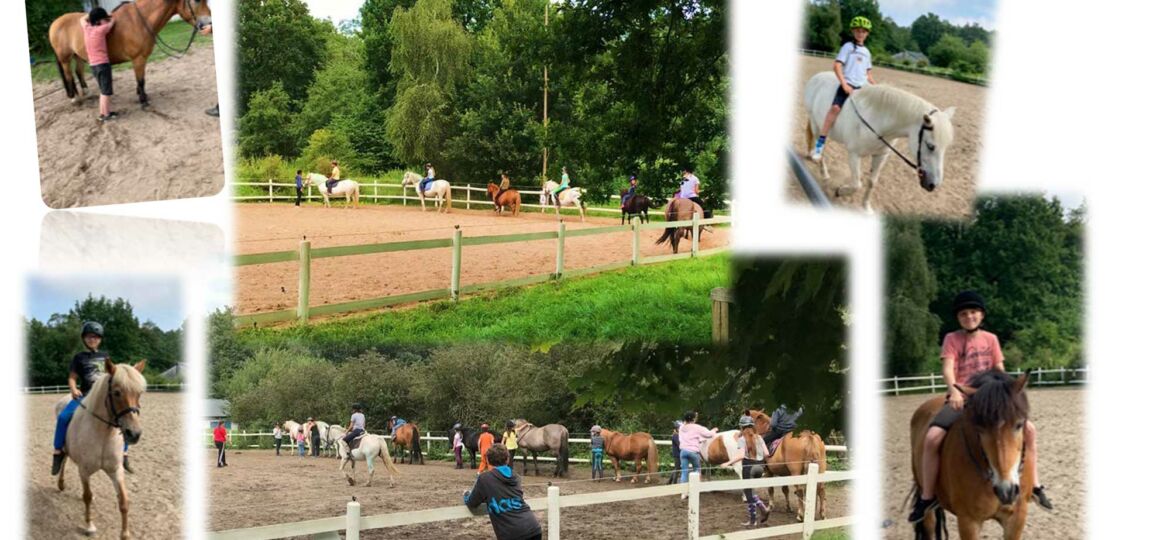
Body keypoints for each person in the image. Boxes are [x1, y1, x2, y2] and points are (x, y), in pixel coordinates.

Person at [908, 291, 1053, 523]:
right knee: (932, 438)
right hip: (963, 396)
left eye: (973, 312)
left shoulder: (991, 339)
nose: (969, 317)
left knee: (1030, 431)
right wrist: (954, 389)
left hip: (991, 399)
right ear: (959, 318)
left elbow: (999, 368)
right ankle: (927, 496)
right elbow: (948, 368)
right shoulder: (951, 339)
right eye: (964, 314)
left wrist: (1008, 393)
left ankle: (1035, 486)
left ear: (981, 315)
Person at [52, 321, 134, 475]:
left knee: (123, 417)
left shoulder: (105, 357)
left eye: (95, 337)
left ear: (100, 339)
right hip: (85, 396)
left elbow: (114, 375)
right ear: (84, 338)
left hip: (103, 397)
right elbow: (72, 378)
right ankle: (58, 451)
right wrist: (73, 388)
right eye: (89, 337)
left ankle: (124, 453)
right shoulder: (79, 357)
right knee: (63, 417)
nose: (92, 340)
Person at [810, 16, 877, 162]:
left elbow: (868, 73)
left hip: (863, 88)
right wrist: (844, 84)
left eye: (864, 31)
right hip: (848, 85)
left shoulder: (867, 52)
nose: (860, 33)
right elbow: (837, 65)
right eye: (858, 31)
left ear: (867, 33)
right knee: (834, 108)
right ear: (853, 32)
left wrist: (875, 86)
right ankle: (819, 144)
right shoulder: (847, 47)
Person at [463, 444, 542, 540]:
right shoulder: (515, 476)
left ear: (488, 460)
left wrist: (466, 494)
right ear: (507, 459)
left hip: (512, 534)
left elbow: (472, 502)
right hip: (533, 527)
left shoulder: (485, 478)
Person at [726, 414, 771, 527]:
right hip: (759, 468)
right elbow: (767, 454)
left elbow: (741, 456)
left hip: (748, 467)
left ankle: (753, 520)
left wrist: (728, 462)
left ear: (742, 427)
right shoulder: (759, 437)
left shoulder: (742, 439)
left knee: (748, 493)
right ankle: (762, 509)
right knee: (751, 492)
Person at [80, 8, 117, 122]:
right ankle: (106, 115)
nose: (105, 20)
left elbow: (82, 19)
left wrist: (96, 16)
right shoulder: (102, 29)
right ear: (99, 21)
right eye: (103, 19)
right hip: (103, 64)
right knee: (106, 92)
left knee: (102, 90)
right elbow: (113, 21)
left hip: (93, 65)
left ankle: (103, 112)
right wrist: (110, 16)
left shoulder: (87, 28)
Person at [678, 410, 718, 498]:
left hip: (683, 451)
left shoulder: (681, 428)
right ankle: (696, 490)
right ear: (693, 418)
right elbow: (708, 434)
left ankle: (684, 493)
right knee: (697, 470)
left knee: (684, 472)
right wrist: (714, 430)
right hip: (693, 452)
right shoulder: (697, 427)